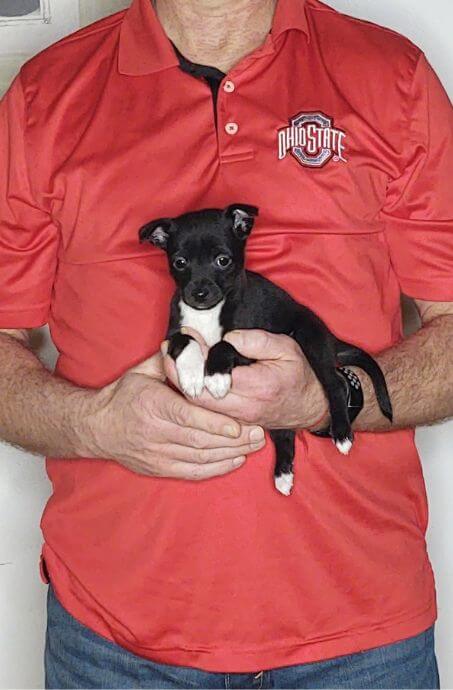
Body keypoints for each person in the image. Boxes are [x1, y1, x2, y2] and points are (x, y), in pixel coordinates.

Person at [1, 0, 452, 687]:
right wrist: (90, 425)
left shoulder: (390, 76)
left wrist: (324, 397)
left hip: (360, 638)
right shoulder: (45, 94)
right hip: (113, 641)